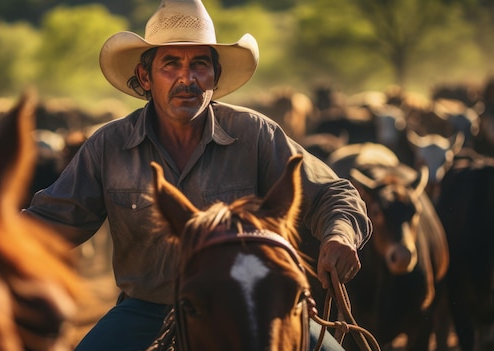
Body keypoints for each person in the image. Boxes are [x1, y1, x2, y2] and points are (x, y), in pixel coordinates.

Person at [24, 0, 372, 350]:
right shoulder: (109, 146)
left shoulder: (254, 134)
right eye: (171, 64)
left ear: (214, 76)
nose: (186, 78)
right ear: (145, 76)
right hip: (148, 310)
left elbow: (334, 193)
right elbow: (52, 221)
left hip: (252, 305)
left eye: (200, 64)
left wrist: (339, 234)